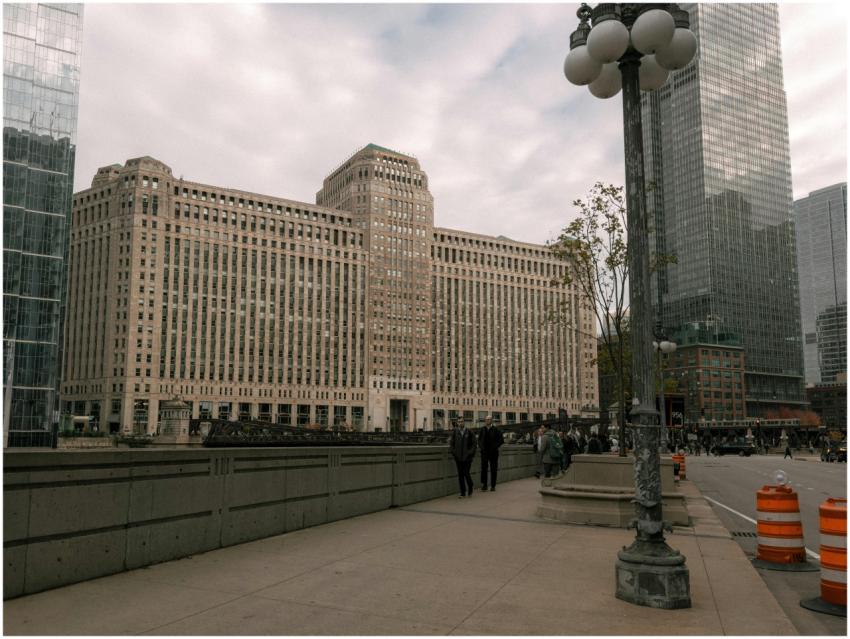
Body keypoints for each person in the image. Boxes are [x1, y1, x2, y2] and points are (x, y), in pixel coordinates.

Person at [449, 418, 477, 497]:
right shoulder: (455, 432)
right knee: (460, 475)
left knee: (466, 473)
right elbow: (451, 443)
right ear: (457, 423)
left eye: (461, 422)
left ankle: (470, 485)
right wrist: (454, 453)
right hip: (458, 457)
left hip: (467, 458)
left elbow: (474, 444)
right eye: (459, 422)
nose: (460, 423)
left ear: (464, 423)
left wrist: (470, 453)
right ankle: (463, 492)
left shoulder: (469, 432)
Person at [478, 416, 504, 491]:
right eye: (486, 420)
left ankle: (493, 486)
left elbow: (501, 440)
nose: (487, 421)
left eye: (489, 419)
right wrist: (481, 447)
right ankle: (484, 485)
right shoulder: (482, 429)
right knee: (484, 469)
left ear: (491, 420)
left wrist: (495, 447)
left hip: (493, 453)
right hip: (484, 452)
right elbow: (479, 440)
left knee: (493, 469)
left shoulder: (496, 429)